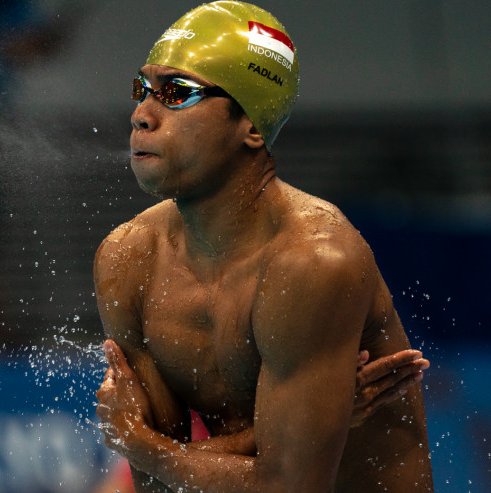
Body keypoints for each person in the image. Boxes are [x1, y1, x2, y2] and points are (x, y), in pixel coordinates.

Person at [94, 2, 433, 492]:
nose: (141, 115)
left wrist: (142, 446)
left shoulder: (312, 262)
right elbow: (161, 484)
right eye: (142, 89)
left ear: (251, 125)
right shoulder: (128, 259)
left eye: (176, 93)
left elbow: (289, 488)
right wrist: (291, 434)